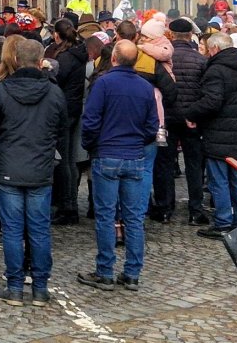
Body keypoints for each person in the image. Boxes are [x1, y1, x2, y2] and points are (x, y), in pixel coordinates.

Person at [0, 38, 66, 306]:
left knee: (12, 230)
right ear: (40, 60)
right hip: (40, 167)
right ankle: (40, 288)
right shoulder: (54, 92)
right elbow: (61, 130)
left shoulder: (2, 91)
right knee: (39, 230)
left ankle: (16, 287)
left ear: (16, 60)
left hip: (9, 165)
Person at [79, 40, 158, 292]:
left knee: (106, 216)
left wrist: (93, 145)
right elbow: (152, 127)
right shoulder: (145, 88)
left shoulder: (103, 84)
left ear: (113, 58)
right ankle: (132, 273)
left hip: (107, 155)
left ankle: (105, 271)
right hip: (134, 155)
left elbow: (90, 121)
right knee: (133, 218)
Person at [183, 33, 237, 240]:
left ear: (215, 49)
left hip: (218, 135)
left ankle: (223, 223)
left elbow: (212, 102)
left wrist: (191, 113)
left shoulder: (216, 70)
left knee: (219, 182)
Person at [168, 17, 209, 226]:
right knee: (194, 165)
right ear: (190, 35)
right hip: (193, 119)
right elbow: (204, 91)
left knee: (165, 164)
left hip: (168, 117)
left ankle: (166, 208)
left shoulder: (165, 58)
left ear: (172, 35)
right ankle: (195, 209)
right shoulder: (200, 59)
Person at [50, 17, 87, 225]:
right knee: (69, 159)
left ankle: (67, 205)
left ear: (57, 35)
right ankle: (69, 203)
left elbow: (57, 80)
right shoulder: (78, 52)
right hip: (73, 107)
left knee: (63, 160)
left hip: (65, 109)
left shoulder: (66, 58)